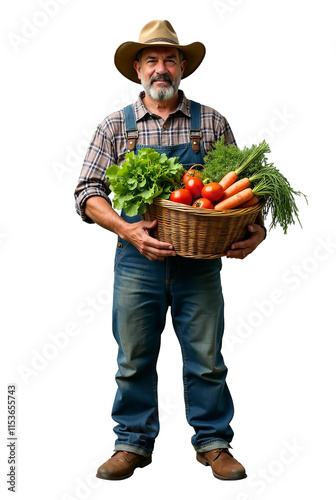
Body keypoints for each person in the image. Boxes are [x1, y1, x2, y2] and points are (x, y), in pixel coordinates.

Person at [74, 19, 266, 482]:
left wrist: (256, 230)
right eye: (152, 60)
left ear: (182, 67)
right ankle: (132, 442)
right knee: (133, 356)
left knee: (206, 356)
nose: (161, 69)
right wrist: (129, 229)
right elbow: (86, 191)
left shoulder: (212, 122)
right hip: (137, 262)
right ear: (138, 69)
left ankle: (214, 443)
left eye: (169, 60)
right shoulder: (115, 126)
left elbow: (244, 188)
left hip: (199, 264)